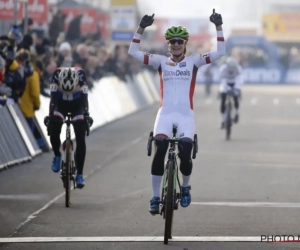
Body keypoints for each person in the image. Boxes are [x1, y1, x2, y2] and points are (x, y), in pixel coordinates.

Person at [128, 10, 225, 214]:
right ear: (168, 44)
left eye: (180, 41)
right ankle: (155, 197)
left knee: (185, 153)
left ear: (185, 43)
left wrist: (219, 27)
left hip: (185, 116)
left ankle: (186, 186)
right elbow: (133, 53)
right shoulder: (160, 61)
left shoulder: (194, 62)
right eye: (172, 41)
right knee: (160, 148)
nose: (176, 44)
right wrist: (141, 28)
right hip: (165, 114)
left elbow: (220, 53)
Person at [44, 67, 93, 188]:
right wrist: (51, 116)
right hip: (60, 104)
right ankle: (57, 154)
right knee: (54, 126)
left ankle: (80, 174)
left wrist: (86, 115)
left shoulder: (81, 76)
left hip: (77, 106)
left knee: (80, 138)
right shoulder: (56, 75)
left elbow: (85, 100)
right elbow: (53, 99)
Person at [219, 57, 243, 128]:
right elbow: (222, 81)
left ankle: (237, 113)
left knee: (236, 98)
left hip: (235, 83)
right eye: (230, 68)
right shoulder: (223, 69)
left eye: (233, 68)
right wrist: (226, 88)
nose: (232, 69)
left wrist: (237, 88)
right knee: (223, 100)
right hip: (225, 83)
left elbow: (240, 79)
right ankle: (222, 120)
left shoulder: (238, 68)